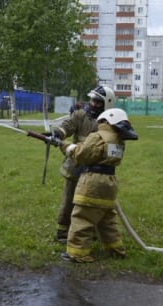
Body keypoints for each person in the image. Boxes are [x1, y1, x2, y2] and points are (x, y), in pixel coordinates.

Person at [59, 108, 138, 263]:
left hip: (92, 183)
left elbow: (82, 155)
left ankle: (77, 253)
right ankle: (115, 250)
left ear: (105, 121)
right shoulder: (118, 139)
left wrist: (66, 146)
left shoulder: (97, 136)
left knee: (82, 217)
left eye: (101, 121)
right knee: (107, 220)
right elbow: (97, 153)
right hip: (109, 183)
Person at [50, 86, 116, 244]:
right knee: (69, 201)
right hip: (75, 167)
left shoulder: (111, 123)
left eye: (97, 102)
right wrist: (58, 133)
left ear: (107, 104)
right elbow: (68, 125)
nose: (92, 104)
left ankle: (89, 231)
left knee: (91, 203)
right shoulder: (80, 115)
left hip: (96, 173)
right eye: (92, 100)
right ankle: (63, 233)